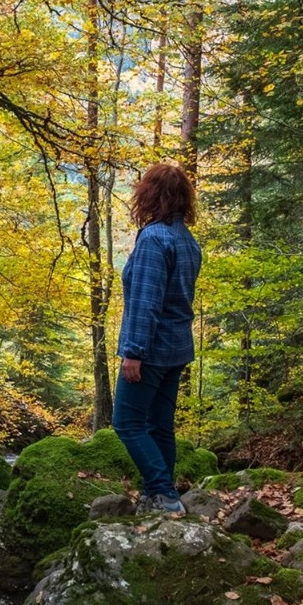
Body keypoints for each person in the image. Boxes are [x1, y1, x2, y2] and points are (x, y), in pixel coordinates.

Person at [112, 162, 203, 515]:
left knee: (127, 423)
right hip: (177, 348)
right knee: (159, 426)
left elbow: (146, 302)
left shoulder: (154, 239)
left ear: (151, 194)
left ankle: (163, 494)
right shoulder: (186, 239)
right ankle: (159, 495)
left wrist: (133, 352)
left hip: (150, 350)